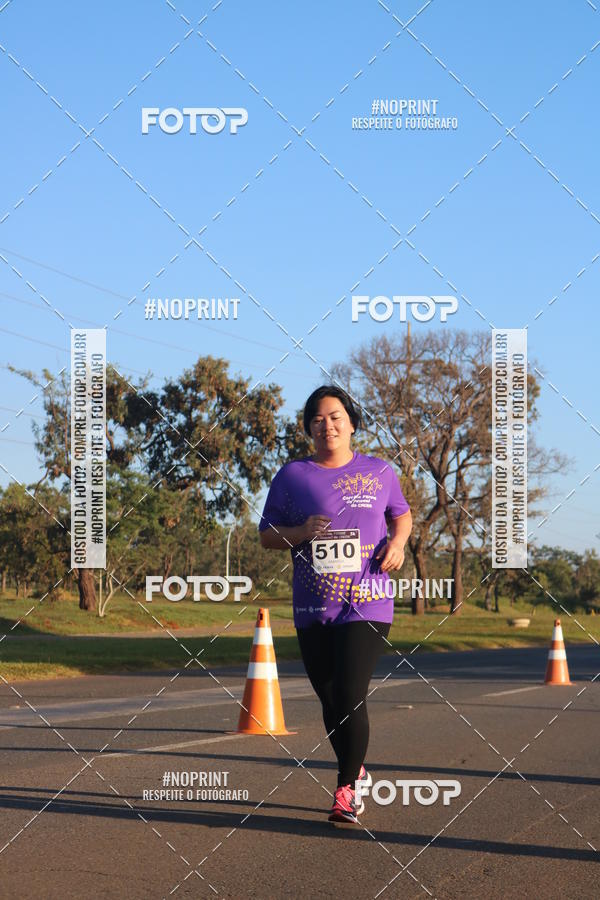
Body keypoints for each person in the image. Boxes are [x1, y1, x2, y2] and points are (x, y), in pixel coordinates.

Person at [259, 385, 412, 825]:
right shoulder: (293, 476)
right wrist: (302, 530)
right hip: (313, 605)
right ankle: (356, 765)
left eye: (336, 416)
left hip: (368, 600)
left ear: (352, 422)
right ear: (308, 428)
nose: (328, 425)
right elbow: (267, 535)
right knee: (330, 699)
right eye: (318, 419)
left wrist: (399, 543)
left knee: (349, 692)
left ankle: (346, 789)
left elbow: (400, 514)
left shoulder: (380, 472)